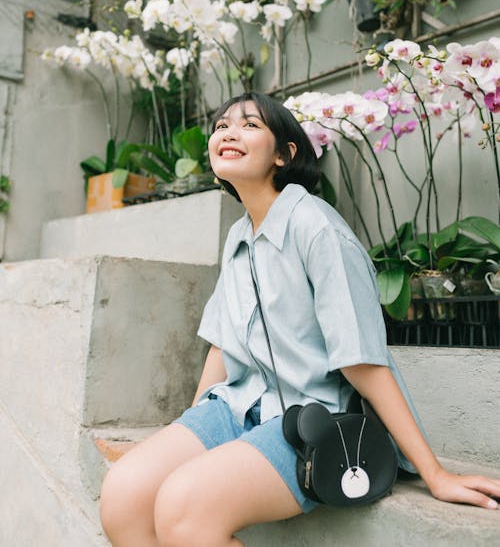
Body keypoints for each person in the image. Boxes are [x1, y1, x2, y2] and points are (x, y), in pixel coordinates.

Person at [100, 91, 500, 547]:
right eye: (222, 126)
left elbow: (361, 360)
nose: (229, 132)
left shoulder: (317, 227)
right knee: (123, 496)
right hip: (238, 406)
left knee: (183, 508)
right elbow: (220, 346)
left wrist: (435, 473)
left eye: (251, 125)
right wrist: (192, 433)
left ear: (285, 154)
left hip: (313, 419)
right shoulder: (238, 236)